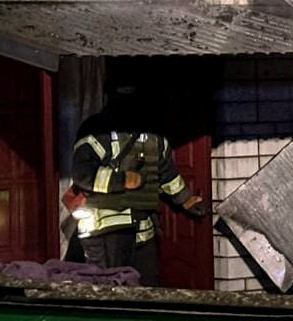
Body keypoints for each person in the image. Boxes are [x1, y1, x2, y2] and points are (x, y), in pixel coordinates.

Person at [69, 81, 208, 285]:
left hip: (144, 230)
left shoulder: (155, 134)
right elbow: (83, 174)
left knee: (148, 287)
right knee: (111, 287)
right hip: (106, 229)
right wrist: (121, 180)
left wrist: (185, 200)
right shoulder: (96, 129)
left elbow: (166, 174)